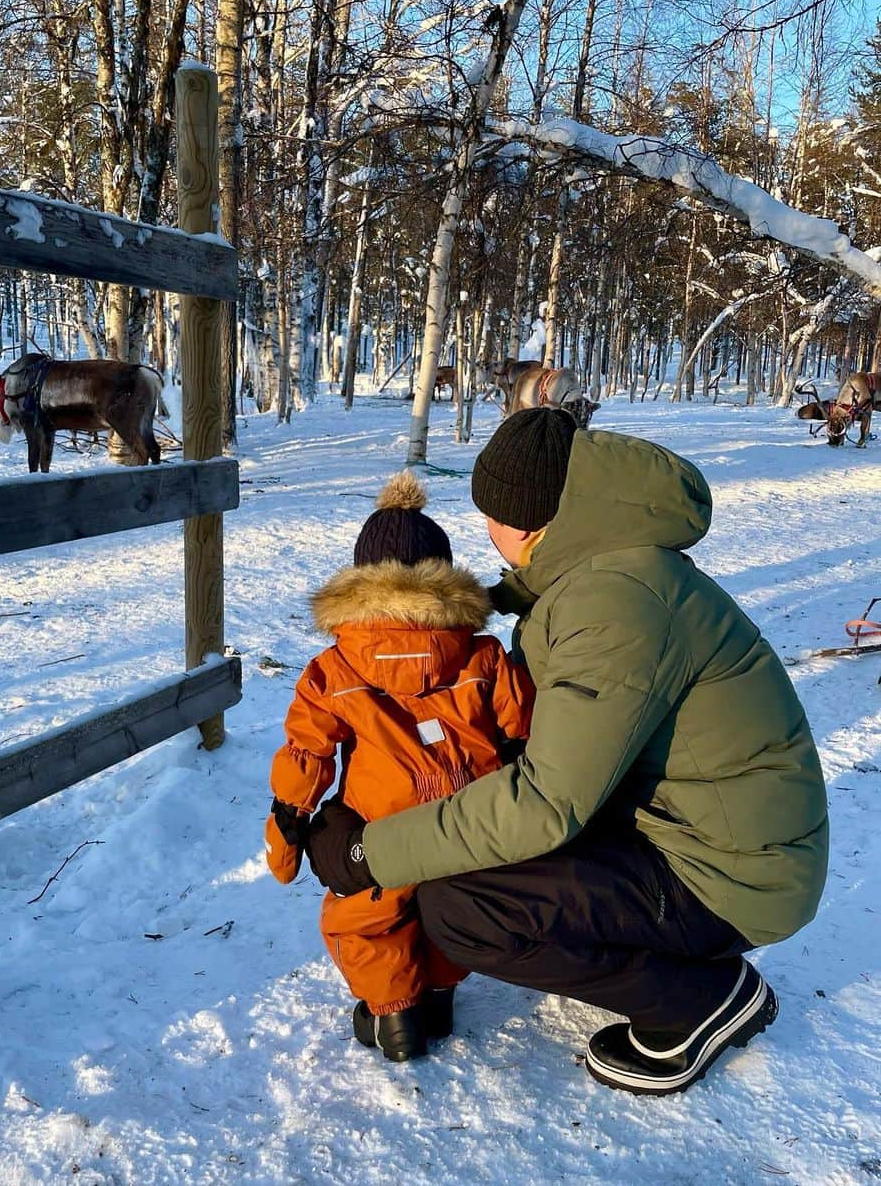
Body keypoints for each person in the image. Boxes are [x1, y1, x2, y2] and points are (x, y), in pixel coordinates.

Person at [305, 410, 829, 1095]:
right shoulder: (601, 574)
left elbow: (546, 802)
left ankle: (701, 1002)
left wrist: (366, 852)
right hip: (692, 830)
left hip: (731, 878)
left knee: (464, 907)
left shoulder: (617, 602)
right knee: (480, 855)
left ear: (521, 525)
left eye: (487, 512)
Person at [265, 470, 535, 1063]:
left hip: (380, 823)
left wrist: (286, 832)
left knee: (367, 912)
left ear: (361, 584)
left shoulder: (333, 670)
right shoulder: (483, 655)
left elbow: (308, 753)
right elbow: (522, 731)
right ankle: (438, 994)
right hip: (473, 818)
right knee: (456, 894)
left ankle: (395, 1020)